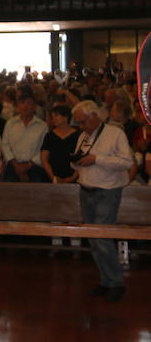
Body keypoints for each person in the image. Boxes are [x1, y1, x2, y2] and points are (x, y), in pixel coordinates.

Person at [71, 101, 133, 302]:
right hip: (86, 189)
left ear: (94, 116)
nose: (81, 126)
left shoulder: (116, 134)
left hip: (108, 191)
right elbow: (81, 161)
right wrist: (77, 162)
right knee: (93, 238)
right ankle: (106, 281)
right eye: (78, 122)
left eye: (82, 122)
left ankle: (116, 283)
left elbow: (127, 162)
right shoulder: (83, 136)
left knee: (102, 237)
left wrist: (97, 159)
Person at [1, 94, 49, 182]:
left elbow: (44, 149)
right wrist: (16, 166)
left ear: (34, 107)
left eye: (29, 103)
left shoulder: (42, 126)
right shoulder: (10, 123)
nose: (25, 106)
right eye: (22, 103)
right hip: (13, 165)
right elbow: (5, 145)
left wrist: (28, 165)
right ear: (18, 106)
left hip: (34, 167)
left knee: (35, 194)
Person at [40, 105, 80, 184]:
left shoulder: (79, 134)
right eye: (52, 116)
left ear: (66, 117)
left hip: (75, 176)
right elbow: (44, 159)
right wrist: (53, 178)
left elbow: (82, 158)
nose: (53, 119)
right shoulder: (49, 135)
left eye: (56, 116)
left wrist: (72, 178)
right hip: (52, 176)